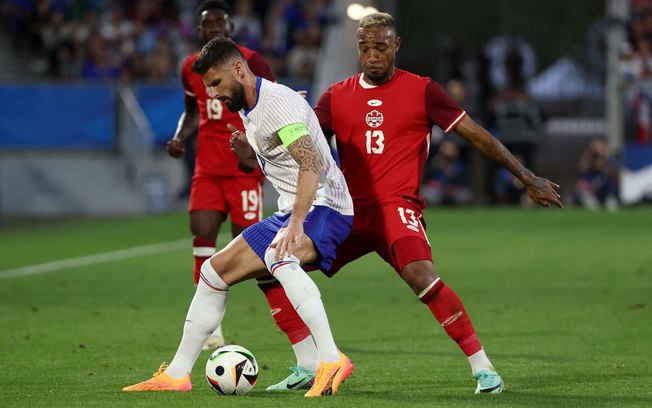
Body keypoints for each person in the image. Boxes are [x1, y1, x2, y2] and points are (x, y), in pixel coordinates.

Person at [247, 12, 563, 394]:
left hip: (396, 206)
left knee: (422, 276)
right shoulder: (336, 95)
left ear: (395, 46)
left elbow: (476, 136)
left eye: (380, 47)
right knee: (270, 263)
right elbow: (304, 149)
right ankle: (306, 362)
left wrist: (527, 177)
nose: (372, 56)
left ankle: (484, 369)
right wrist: (254, 149)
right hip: (346, 212)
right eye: (365, 48)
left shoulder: (423, 90)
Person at [122, 37, 354, 397]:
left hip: (326, 206)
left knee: (280, 255)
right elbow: (285, 156)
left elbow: (313, 163)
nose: (212, 94)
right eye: (206, 87)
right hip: (291, 209)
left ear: (239, 70)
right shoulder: (249, 105)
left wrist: (294, 224)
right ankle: (178, 375)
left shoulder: (274, 103)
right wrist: (252, 153)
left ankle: (331, 358)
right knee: (214, 273)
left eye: (215, 83)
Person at [166, 0, 275, 350]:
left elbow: (271, 105)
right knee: (201, 238)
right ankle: (209, 327)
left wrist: (256, 153)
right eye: (206, 24)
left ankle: (289, 310)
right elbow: (192, 110)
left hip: (243, 170)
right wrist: (180, 137)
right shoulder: (190, 68)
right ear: (199, 30)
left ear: (229, 27)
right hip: (208, 171)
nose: (213, 28)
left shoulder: (250, 61)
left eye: (218, 23)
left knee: (254, 254)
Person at [574, 139, 619, 211]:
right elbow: (581, 171)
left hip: (608, 194)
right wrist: (589, 157)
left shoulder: (609, 161)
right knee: (584, 193)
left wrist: (602, 162)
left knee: (611, 206)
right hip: (593, 194)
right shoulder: (588, 162)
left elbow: (615, 172)